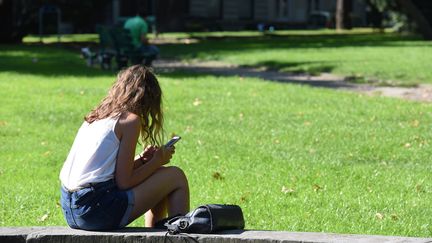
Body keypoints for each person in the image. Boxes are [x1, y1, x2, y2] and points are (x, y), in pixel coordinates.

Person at [59, 65, 190, 230]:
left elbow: (105, 172)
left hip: (70, 208)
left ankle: (156, 235)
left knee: (159, 175)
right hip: (96, 209)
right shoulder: (129, 121)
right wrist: (157, 161)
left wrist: (143, 160)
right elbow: (124, 182)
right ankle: (180, 236)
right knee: (175, 176)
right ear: (147, 98)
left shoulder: (95, 117)